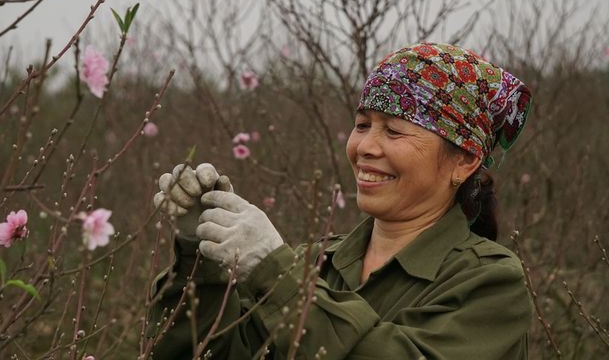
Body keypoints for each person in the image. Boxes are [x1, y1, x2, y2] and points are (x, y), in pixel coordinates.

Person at [147, 42, 533, 359]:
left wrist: (278, 276)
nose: (365, 146)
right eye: (362, 125)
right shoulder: (313, 265)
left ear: (464, 160)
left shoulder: (490, 282)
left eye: (394, 132)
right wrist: (199, 259)